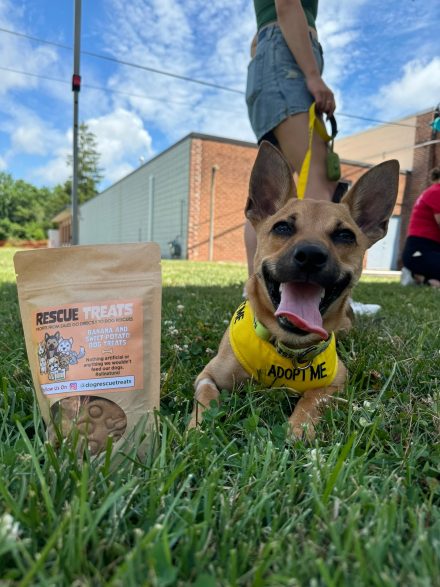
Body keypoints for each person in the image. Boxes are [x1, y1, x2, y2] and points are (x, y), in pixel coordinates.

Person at [244, 0, 380, 315]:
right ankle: (320, 298)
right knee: (319, 176)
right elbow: (288, 4)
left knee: (269, 206)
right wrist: (312, 74)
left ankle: (259, 292)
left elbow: (257, 41)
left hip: (271, 61)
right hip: (286, 59)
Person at [401, 167, 440, 288]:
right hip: (419, 251)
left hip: (426, 249)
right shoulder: (436, 192)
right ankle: (414, 274)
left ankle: (424, 279)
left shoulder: (432, 191)